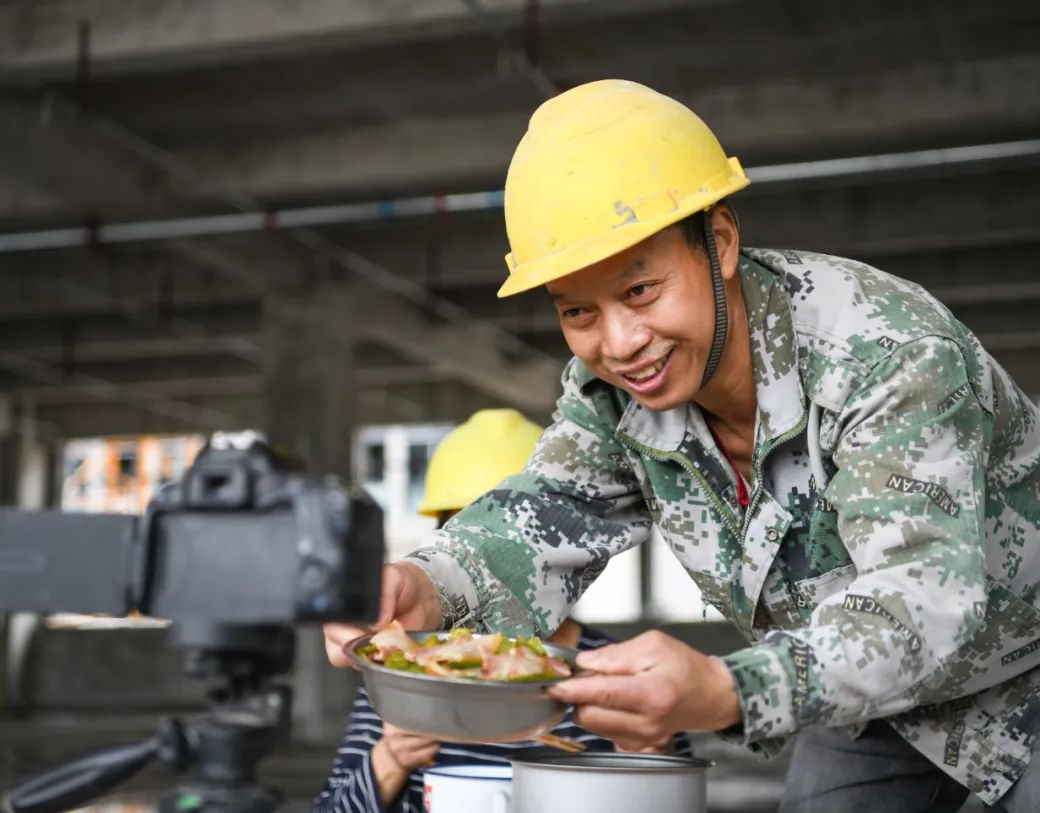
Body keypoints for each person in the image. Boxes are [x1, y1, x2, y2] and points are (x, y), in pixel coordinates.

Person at [324, 80, 1040, 812]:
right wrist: (428, 584)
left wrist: (731, 688)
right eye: (578, 310)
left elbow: (924, 595)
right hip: (866, 694)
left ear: (720, 242)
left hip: (1024, 665)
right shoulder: (610, 396)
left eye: (640, 291)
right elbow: (547, 512)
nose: (620, 343)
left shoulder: (884, 350)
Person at [314, 408, 692, 813]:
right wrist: (391, 758)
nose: (489, 559)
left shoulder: (616, 672)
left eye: (513, 542)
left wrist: (649, 758)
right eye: (461, 533)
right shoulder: (405, 675)